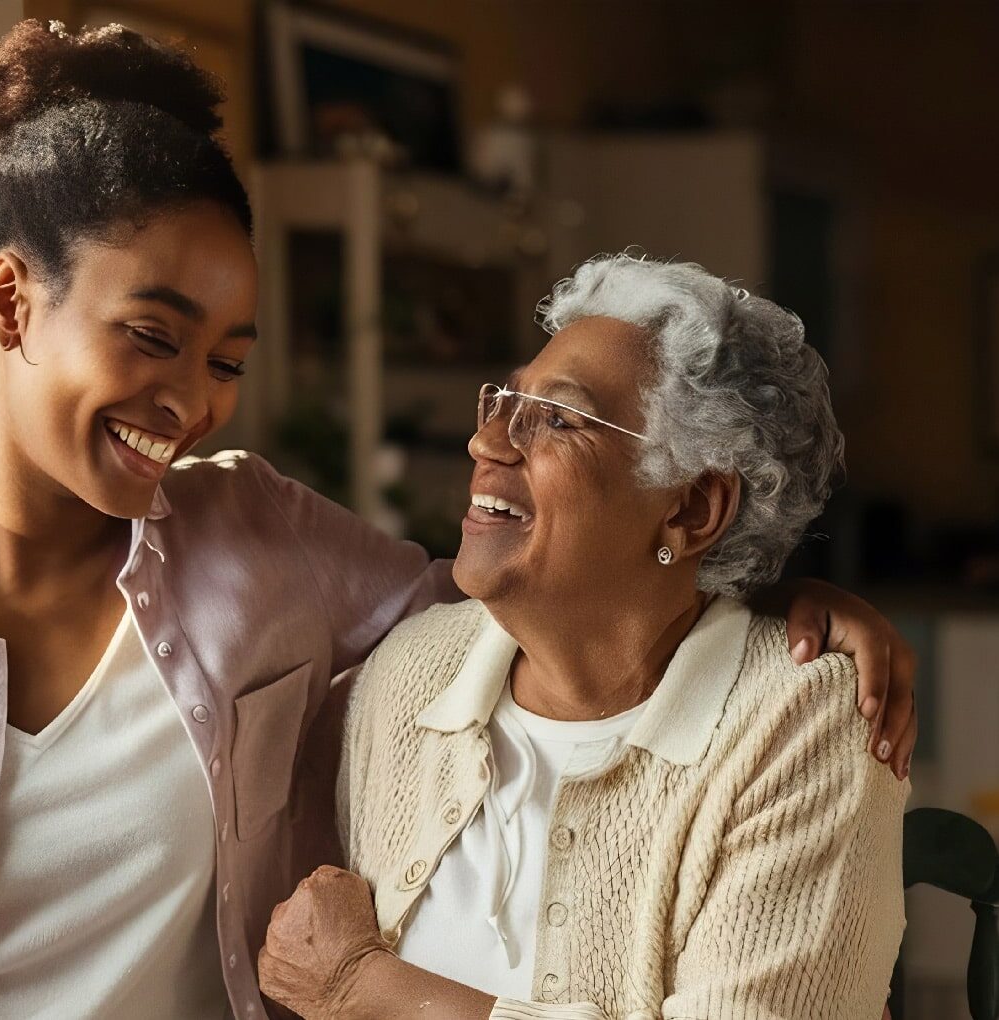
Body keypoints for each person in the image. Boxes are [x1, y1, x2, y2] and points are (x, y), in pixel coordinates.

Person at [0, 23, 913, 1020]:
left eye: (226, 359)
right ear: (8, 302)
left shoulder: (259, 536)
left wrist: (760, 597)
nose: (190, 400)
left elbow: (539, 611)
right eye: (153, 336)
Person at [260, 255, 909, 1020]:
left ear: (694, 509)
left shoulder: (801, 725)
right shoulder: (413, 672)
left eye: (559, 419)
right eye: (503, 401)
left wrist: (364, 989)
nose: (489, 443)